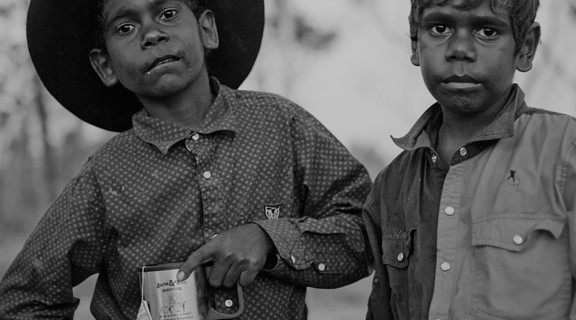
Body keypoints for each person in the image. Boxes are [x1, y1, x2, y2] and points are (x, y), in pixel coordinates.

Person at [0, 0, 372, 319]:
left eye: (167, 13)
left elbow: (366, 231)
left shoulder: (281, 126)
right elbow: (23, 297)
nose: (151, 34)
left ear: (207, 29)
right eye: (126, 26)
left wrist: (272, 239)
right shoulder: (106, 176)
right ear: (106, 66)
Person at [363, 0, 576, 319]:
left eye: (488, 31)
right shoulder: (393, 183)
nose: (459, 49)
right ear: (414, 43)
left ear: (526, 48)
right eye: (439, 28)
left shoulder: (564, 151)